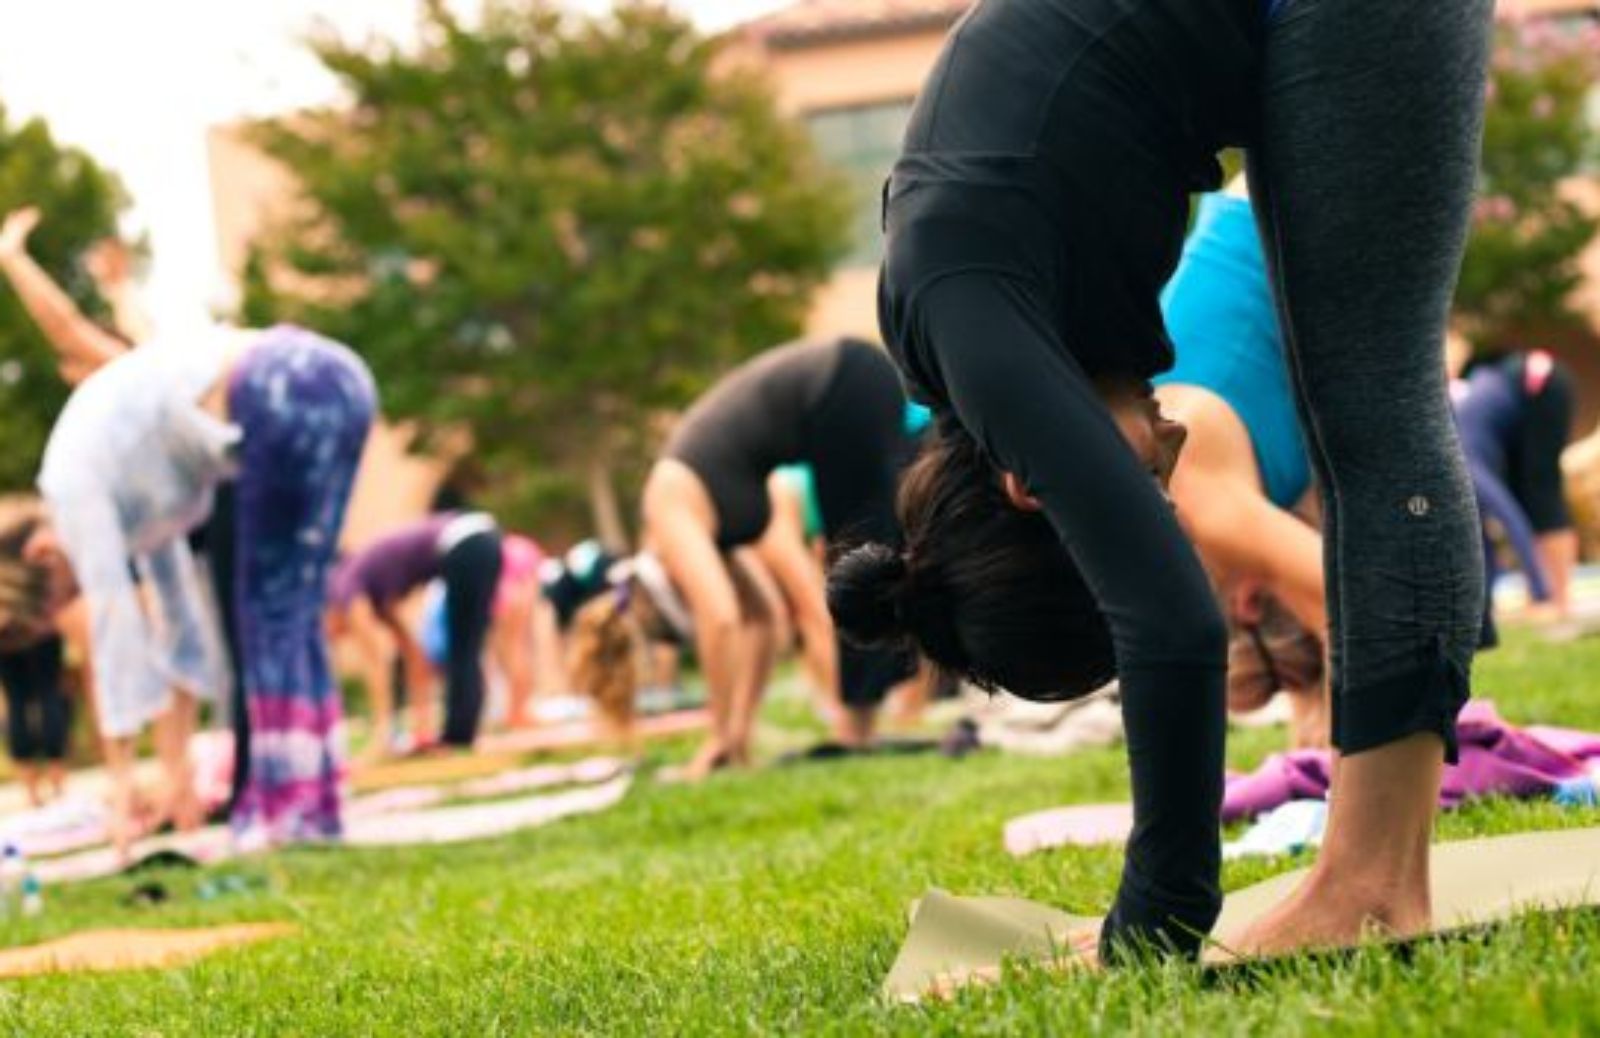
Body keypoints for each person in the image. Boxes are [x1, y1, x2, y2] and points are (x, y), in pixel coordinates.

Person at [833, 0, 1492, 961]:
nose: (1170, 460)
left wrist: (1152, 923)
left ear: (1033, 488)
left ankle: (1373, 888)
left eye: (1145, 494)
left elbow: (1172, 622)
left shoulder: (968, 312)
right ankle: (1370, 875)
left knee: (1371, 404)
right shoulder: (961, 315)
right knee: (1356, 401)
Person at [0, 207, 375, 851]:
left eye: (64, 592)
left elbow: (117, 637)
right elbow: (177, 625)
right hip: (335, 375)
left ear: (40, 549)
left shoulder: (71, 484)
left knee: (267, 614)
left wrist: (122, 790)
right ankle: (314, 801)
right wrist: (174, 774)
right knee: (292, 611)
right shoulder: (136, 484)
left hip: (279, 386)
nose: (80, 598)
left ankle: (284, 808)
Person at [580, 338, 916, 778]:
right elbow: (766, 618)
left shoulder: (666, 503)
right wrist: (737, 735)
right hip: (847, 388)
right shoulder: (711, 515)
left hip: (844, 379)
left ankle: (858, 731)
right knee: (863, 557)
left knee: (857, 559)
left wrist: (716, 733)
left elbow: (718, 618)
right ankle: (860, 728)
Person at [1152, 182, 1328, 746]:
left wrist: (1334, 737)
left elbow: (1351, 604)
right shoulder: (1237, 497)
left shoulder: (1205, 506)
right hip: (1286, 226)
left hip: (1284, 212)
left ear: (1247, 600)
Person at [327, 513, 504, 752]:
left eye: (329, 633)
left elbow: (374, 661)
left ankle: (458, 736)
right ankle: (458, 734)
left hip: (464, 543)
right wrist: (421, 726)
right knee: (467, 645)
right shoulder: (373, 592)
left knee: (463, 647)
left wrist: (383, 731)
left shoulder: (345, 587)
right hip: (481, 539)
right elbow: (414, 656)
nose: (337, 638)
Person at [1450, 346, 1579, 629]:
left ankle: (1555, 599)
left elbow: (1511, 520)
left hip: (1541, 386)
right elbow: (1480, 541)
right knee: (1524, 494)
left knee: (1540, 491)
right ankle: (1549, 597)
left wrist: (1539, 592)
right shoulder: (1462, 451)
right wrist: (1486, 602)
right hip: (1519, 394)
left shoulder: (1464, 462)